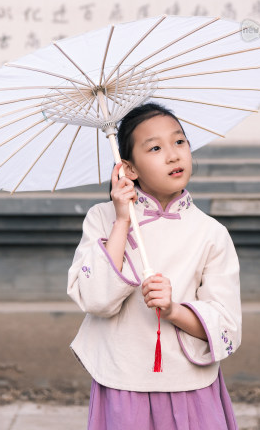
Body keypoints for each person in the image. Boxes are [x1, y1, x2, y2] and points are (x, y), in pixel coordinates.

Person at [67, 102, 241, 430]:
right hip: (123, 382)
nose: (174, 155)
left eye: (179, 142)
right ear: (129, 168)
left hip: (190, 387)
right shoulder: (101, 219)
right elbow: (94, 300)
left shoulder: (211, 234)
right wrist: (121, 222)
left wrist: (173, 309)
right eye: (156, 148)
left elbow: (227, 326)